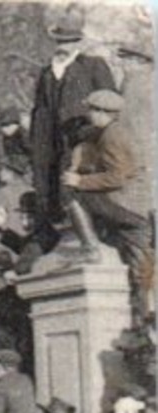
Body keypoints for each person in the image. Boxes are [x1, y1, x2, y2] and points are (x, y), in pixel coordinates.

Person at [27, 3, 116, 250]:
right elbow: (39, 115)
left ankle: (92, 243)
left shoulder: (93, 66)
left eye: (69, 41)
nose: (62, 47)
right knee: (53, 194)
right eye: (59, 42)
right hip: (51, 147)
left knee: (79, 193)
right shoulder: (46, 74)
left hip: (83, 144)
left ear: (78, 42)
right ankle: (66, 238)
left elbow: (111, 105)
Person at [62, 89, 155, 323]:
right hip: (140, 209)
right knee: (142, 267)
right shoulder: (119, 132)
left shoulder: (111, 136)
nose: (91, 115)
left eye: (93, 110)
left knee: (74, 196)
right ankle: (146, 322)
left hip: (125, 204)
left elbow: (119, 177)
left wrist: (80, 180)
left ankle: (90, 248)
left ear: (103, 113)